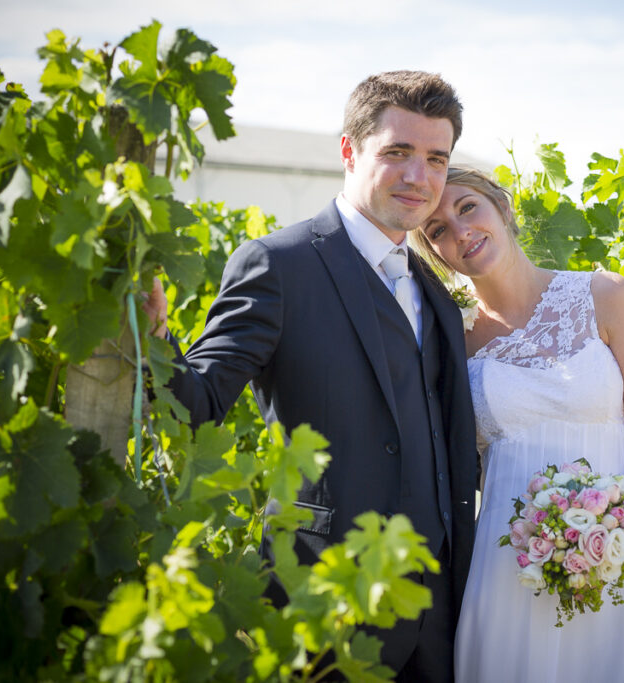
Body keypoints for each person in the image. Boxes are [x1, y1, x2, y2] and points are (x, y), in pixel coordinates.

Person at [144, 71, 478, 683]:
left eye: (436, 159)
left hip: (438, 610)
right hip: (323, 598)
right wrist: (154, 339)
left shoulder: (434, 290)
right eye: (397, 153)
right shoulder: (278, 264)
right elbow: (198, 400)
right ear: (349, 151)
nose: (419, 177)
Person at [412, 166, 624, 682]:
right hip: (509, 569)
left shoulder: (606, 296)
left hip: (613, 558)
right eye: (436, 231)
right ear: (435, 254)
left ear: (501, 207)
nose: (459, 231)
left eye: (467, 207)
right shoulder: (450, 345)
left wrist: (615, 526)